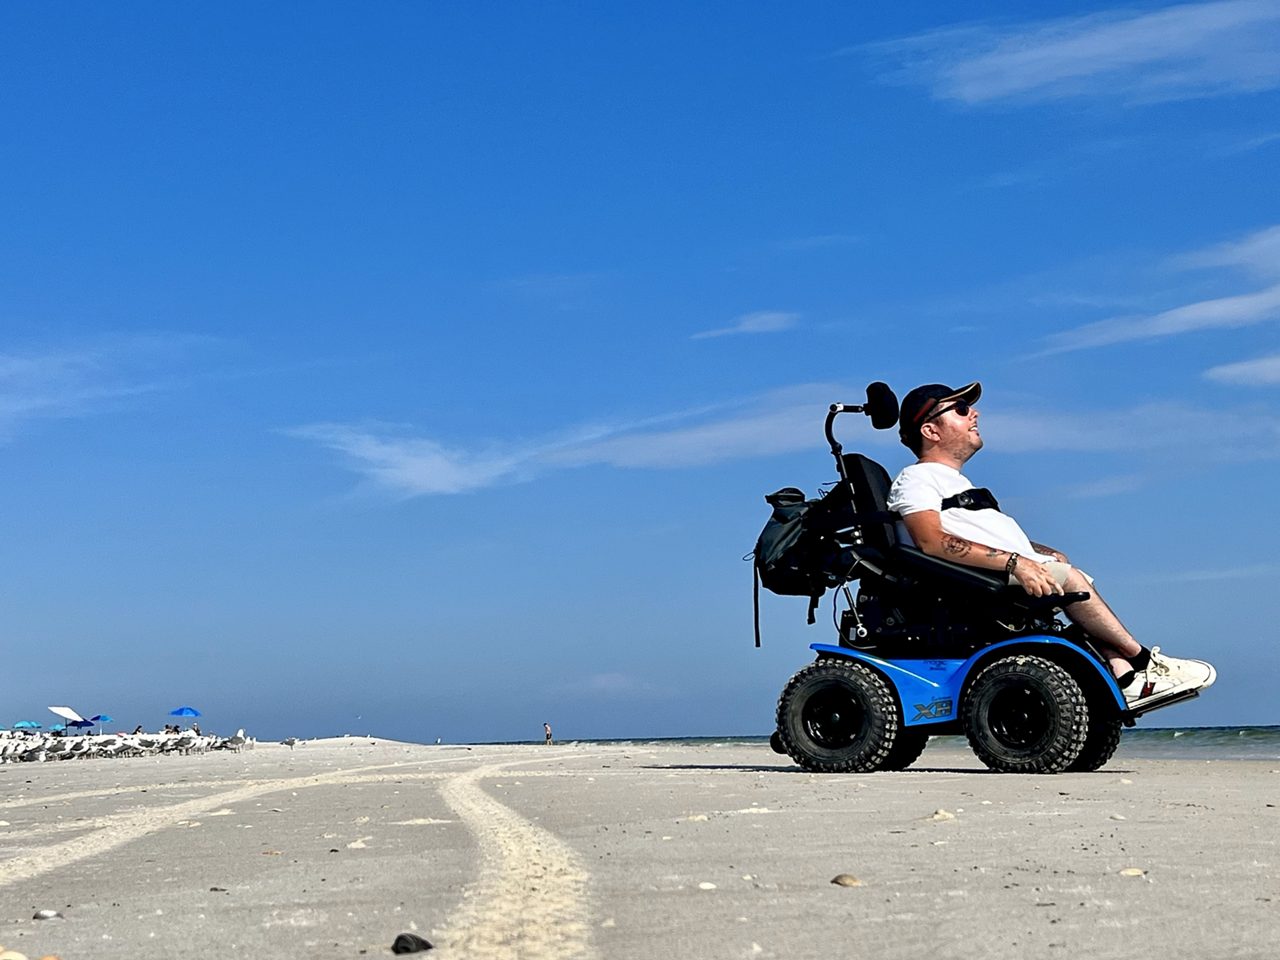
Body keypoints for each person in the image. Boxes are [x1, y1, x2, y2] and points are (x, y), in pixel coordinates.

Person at [887, 381, 1215, 707]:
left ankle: (1124, 675)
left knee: (1070, 572)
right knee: (1070, 578)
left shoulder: (954, 482)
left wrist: (1040, 554)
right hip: (978, 583)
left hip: (1007, 571)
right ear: (931, 430)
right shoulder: (916, 479)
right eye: (960, 409)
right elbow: (931, 542)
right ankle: (1144, 661)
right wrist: (1017, 562)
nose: (974, 413)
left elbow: (975, 533)